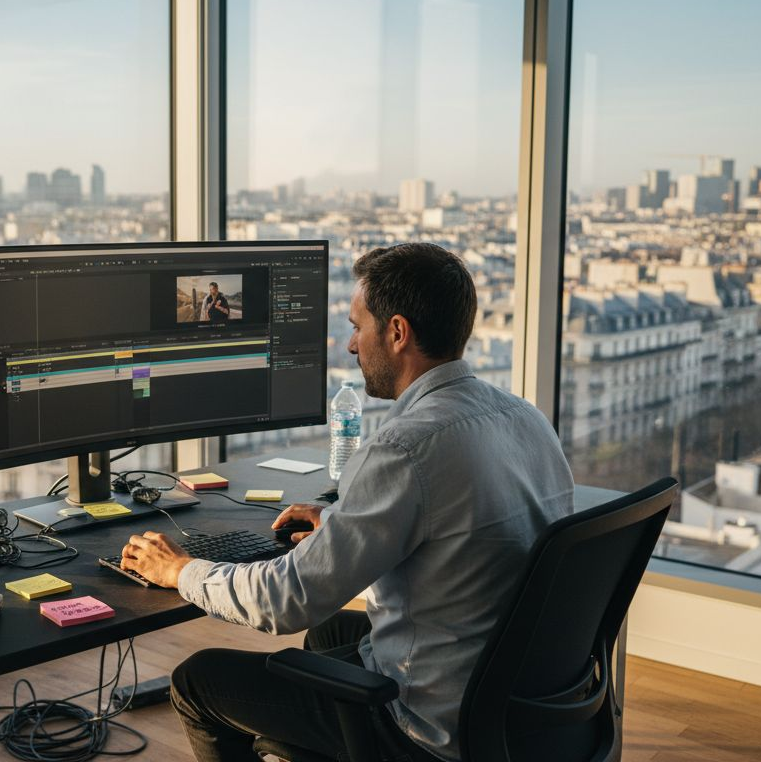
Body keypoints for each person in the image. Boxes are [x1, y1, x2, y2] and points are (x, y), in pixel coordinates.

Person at [121, 242, 574, 762]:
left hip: (432, 725)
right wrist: (342, 521)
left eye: (359, 327)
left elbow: (285, 600)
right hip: (514, 695)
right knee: (333, 631)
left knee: (198, 680)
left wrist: (180, 570)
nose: (352, 345)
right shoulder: (525, 417)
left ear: (398, 333)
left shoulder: (404, 448)